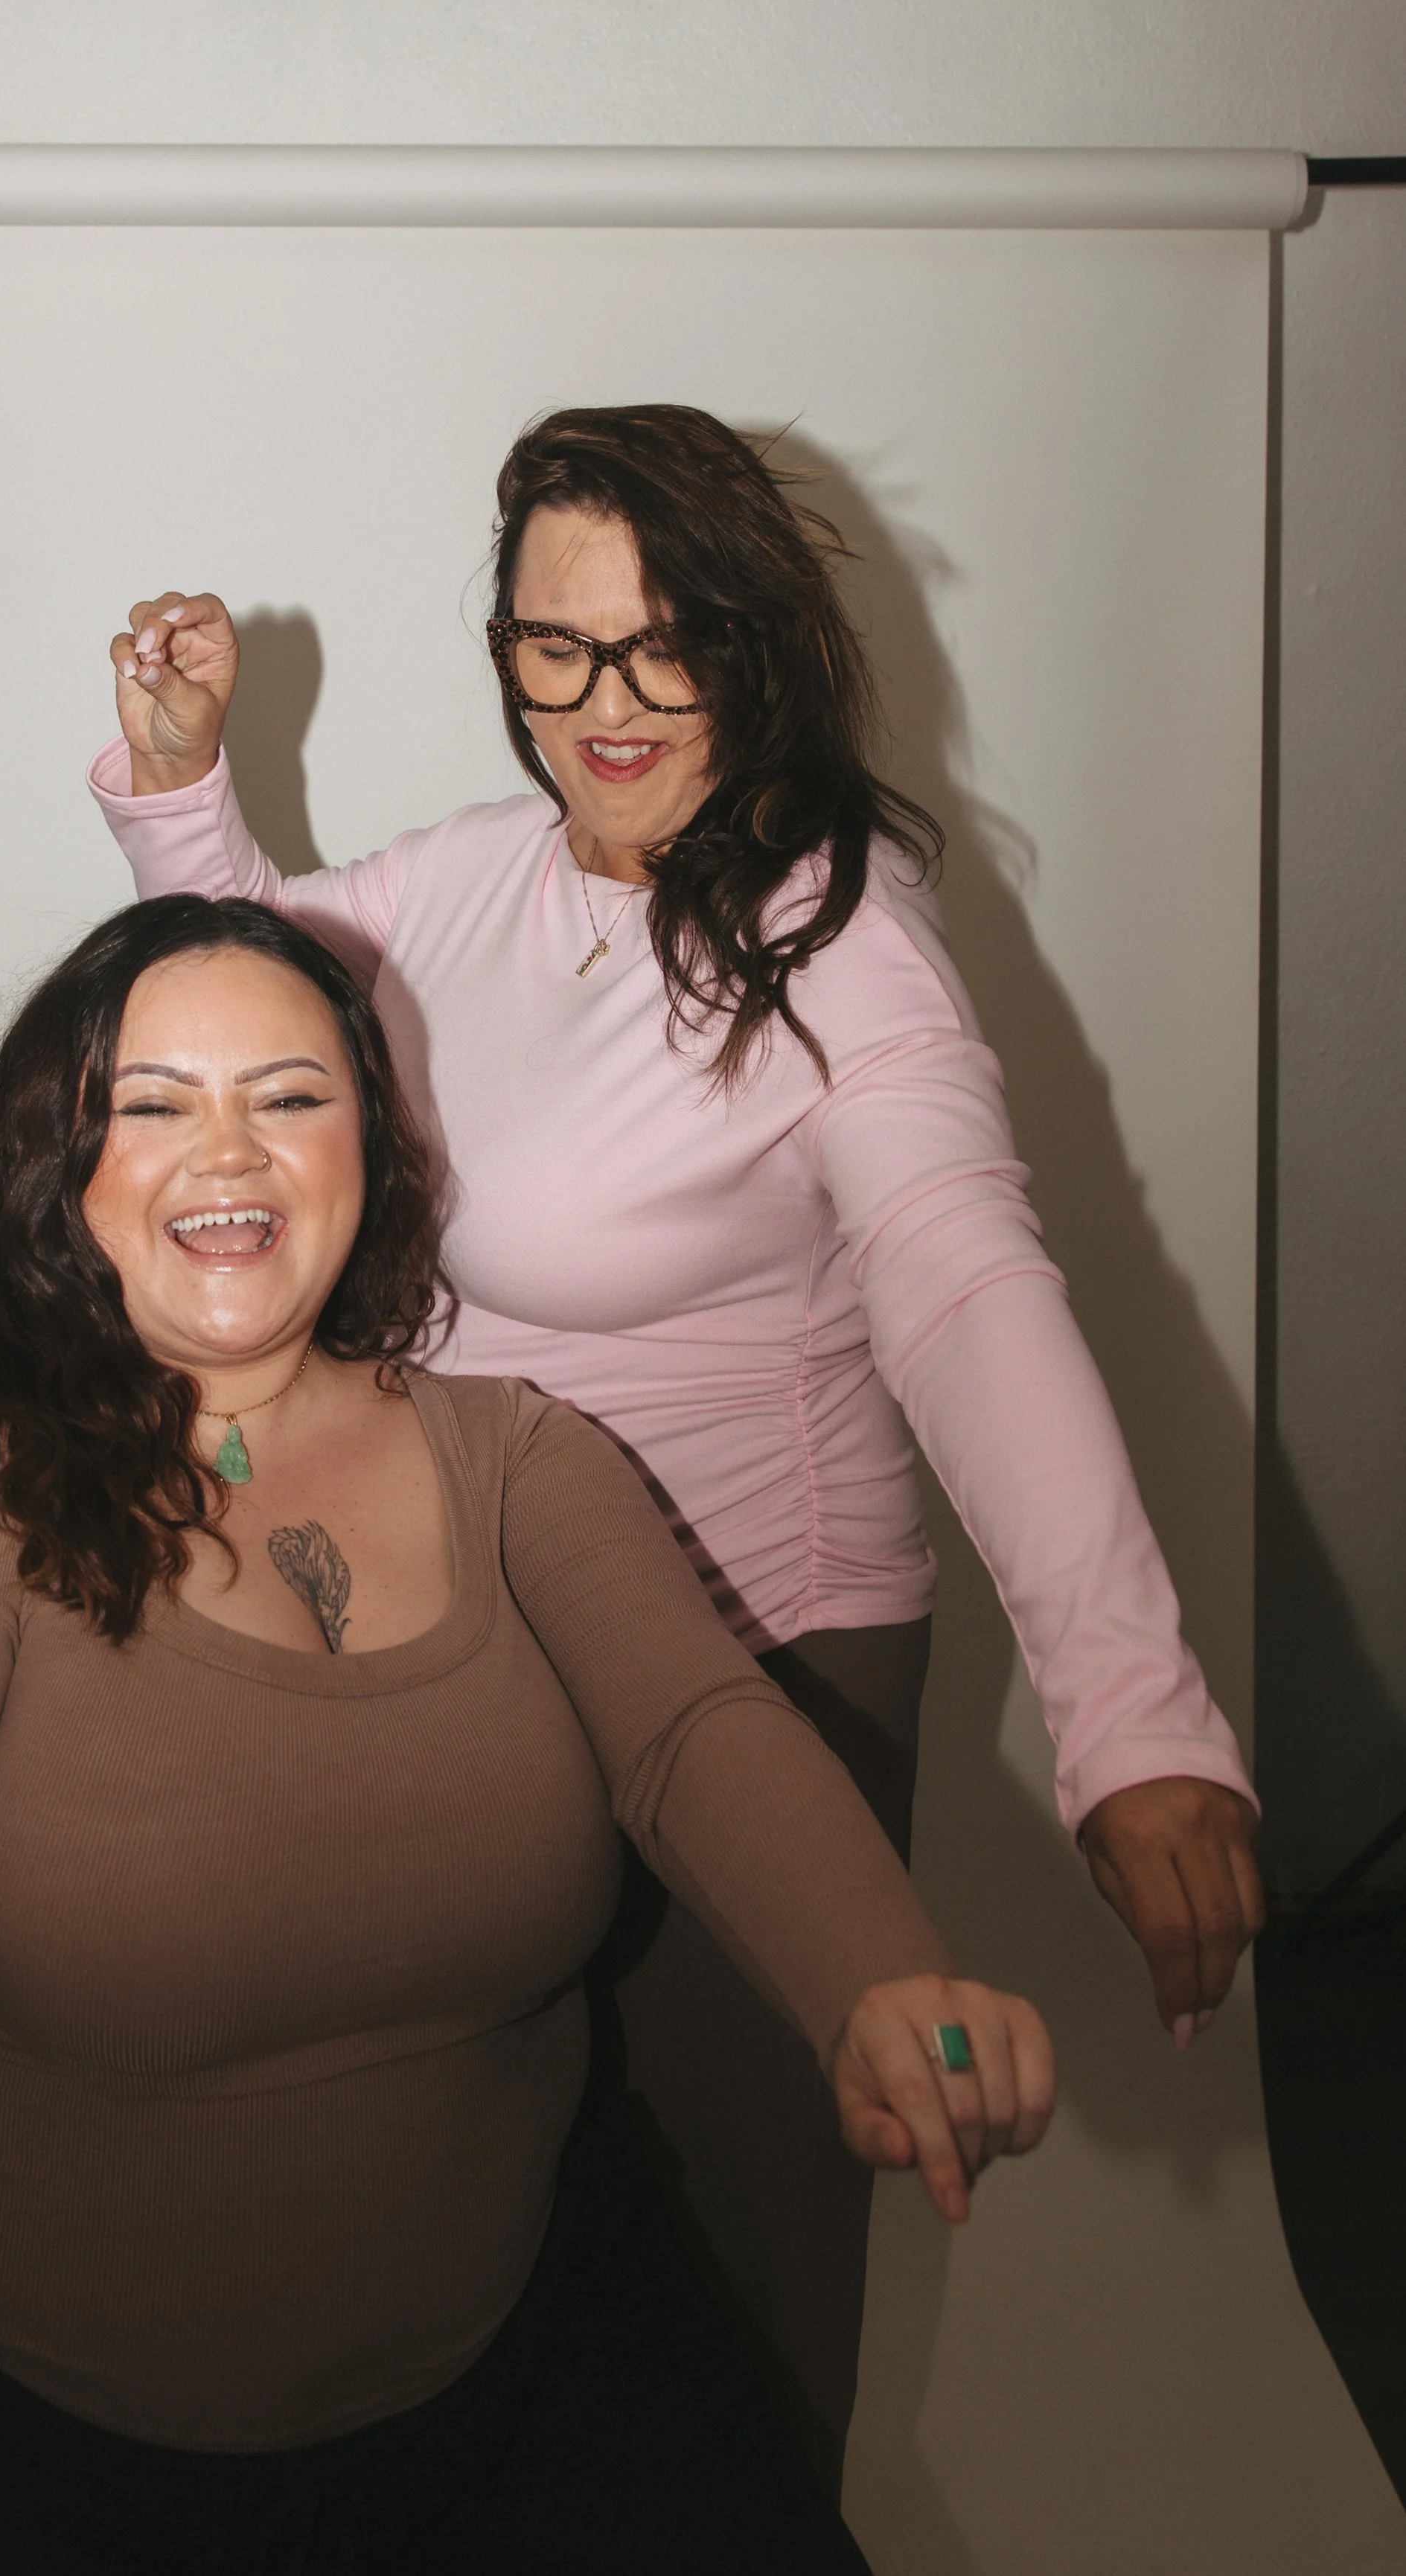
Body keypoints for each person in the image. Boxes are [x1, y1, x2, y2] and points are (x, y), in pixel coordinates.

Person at [0, 894, 1052, 2576]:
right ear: (55, 1164)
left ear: (375, 1145)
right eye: (152, 1103)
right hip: (28, 2469)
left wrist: (878, 1981)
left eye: (289, 1096)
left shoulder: (520, 1459)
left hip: (532, 2387)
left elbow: (694, 1733)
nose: (232, 1153)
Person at [88, 402, 1264, 2477]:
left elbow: (969, 1292)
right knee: (483, 2211)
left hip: (753, 1657)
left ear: (753, 643)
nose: (604, 703)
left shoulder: (838, 950)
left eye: (662, 644)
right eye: (554, 645)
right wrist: (184, 788)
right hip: (496, 1640)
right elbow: (270, 992)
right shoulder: (469, 878)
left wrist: (1132, 1706)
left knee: (728, 2282)